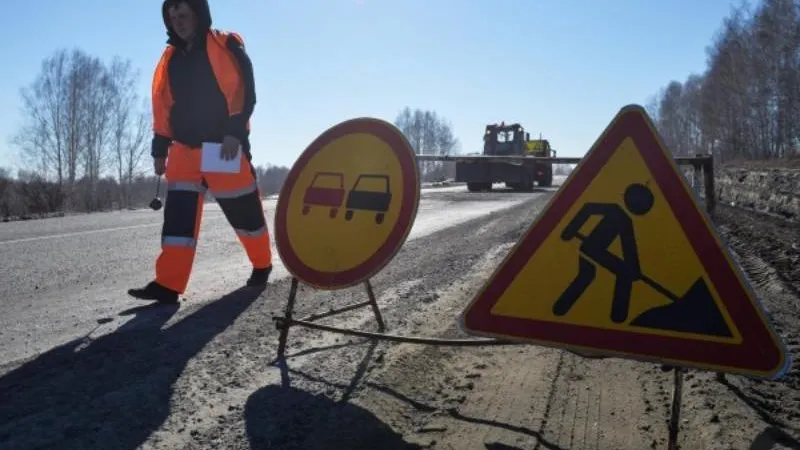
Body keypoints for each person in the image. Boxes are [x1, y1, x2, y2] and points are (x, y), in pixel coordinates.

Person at [128, 0, 273, 304]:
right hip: (182, 150)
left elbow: (245, 89)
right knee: (178, 221)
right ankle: (168, 285)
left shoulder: (225, 43)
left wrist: (235, 132)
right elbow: (163, 106)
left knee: (243, 210)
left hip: (222, 145)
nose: (177, 21)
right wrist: (159, 149)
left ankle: (262, 265)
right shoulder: (170, 59)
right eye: (172, 17)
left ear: (198, 14)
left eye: (183, 15)